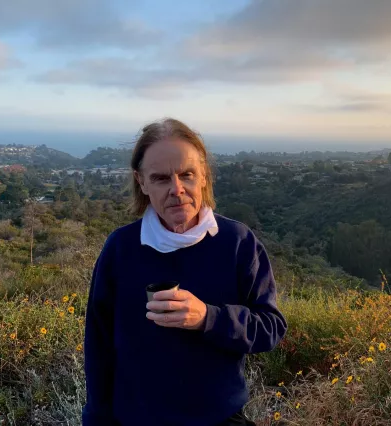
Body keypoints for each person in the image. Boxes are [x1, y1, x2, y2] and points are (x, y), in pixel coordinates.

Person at [82, 118, 287, 426]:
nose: (177, 190)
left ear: (203, 175)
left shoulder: (237, 243)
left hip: (219, 419)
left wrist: (208, 317)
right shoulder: (121, 249)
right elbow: (98, 348)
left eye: (187, 175)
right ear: (142, 182)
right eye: (162, 178)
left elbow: (271, 328)